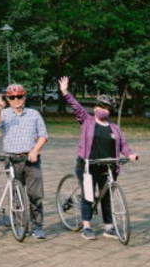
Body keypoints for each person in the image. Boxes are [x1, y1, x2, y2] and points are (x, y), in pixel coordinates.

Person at [59, 77, 139, 239]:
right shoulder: (87, 121)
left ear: (110, 111)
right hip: (88, 165)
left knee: (107, 196)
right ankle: (86, 226)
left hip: (108, 166)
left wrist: (130, 154)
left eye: (107, 107)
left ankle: (108, 227)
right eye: (101, 106)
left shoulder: (114, 128)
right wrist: (65, 92)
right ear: (95, 107)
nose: (103, 109)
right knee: (88, 195)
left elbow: (123, 145)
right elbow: (76, 106)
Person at [0, 82, 50, 239]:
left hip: (31, 159)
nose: (16, 100)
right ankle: (20, 224)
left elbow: (43, 136)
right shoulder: (4, 113)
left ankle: (37, 226)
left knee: (35, 194)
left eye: (19, 96)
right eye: (12, 97)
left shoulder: (34, 114)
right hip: (12, 159)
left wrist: (35, 150)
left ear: (24, 97)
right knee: (16, 194)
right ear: (8, 99)